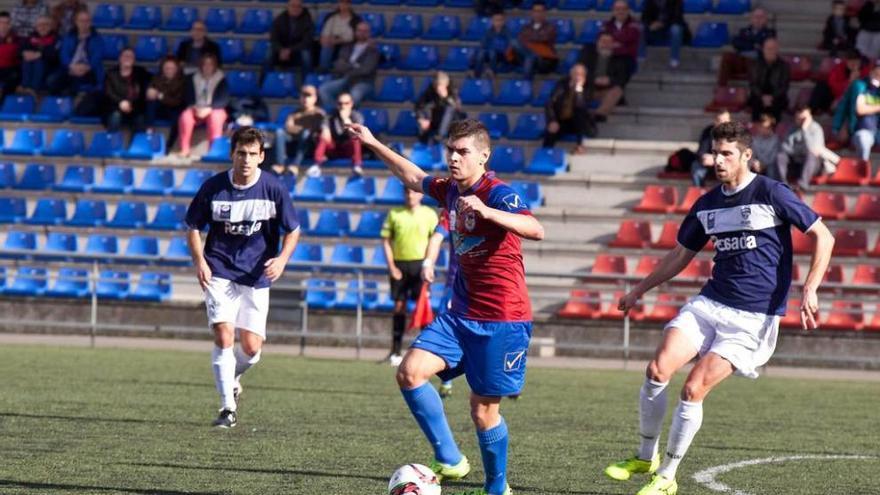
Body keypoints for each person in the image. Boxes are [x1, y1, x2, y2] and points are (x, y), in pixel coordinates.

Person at [603, 120, 835, 495]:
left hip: (752, 318)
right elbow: (680, 254)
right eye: (715, 152)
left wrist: (810, 288)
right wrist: (639, 290)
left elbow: (823, 235)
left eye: (727, 153)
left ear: (746, 155)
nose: (718, 160)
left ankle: (667, 476)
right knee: (657, 368)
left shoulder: (772, 192)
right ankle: (645, 457)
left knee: (693, 389)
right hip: (710, 303)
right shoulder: (707, 204)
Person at [347, 118, 544, 495]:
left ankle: (497, 487)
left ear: (483, 156)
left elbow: (535, 229)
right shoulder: (450, 190)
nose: (454, 158)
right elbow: (413, 176)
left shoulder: (498, 192)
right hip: (460, 314)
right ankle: (451, 459)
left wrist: (487, 212)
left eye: (462, 152)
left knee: (483, 412)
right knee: (409, 372)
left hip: (502, 318)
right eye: (450, 150)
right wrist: (372, 142)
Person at [185, 126, 301, 429]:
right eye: (241, 153)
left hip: (256, 275)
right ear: (232, 154)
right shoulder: (214, 187)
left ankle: (232, 376)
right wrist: (200, 261)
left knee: (251, 349)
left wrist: (282, 260)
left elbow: (294, 229)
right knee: (224, 335)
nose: (246, 159)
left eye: (252, 154)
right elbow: (193, 226)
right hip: (219, 270)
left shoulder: (274, 189)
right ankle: (227, 408)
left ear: (261, 157)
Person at [380, 188, 439, 366]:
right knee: (399, 306)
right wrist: (391, 266)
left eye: (413, 192)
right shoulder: (395, 213)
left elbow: (434, 241)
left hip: (420, 265)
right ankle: (395, 352)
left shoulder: (429, 215)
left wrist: (429, 264)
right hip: (400, 265)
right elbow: (386, 241)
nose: (410, 196)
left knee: (423, 307)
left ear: (420, 194)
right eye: (407, 192)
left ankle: (426, 352)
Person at [421, 207, 456, 398]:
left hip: (484, 287)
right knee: (444, 331)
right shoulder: (451, 210)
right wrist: (428, 263)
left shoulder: (489, 204)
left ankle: (504, 381)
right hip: (454, 286)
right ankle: (446, 380)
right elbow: (436, 238)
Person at [177, 52, 228, 158]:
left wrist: (209, 109)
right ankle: (184, 149)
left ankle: (214, 150)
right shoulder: (192, 78)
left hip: (215, 108)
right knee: (185, 116)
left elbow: (223, 99)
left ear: (215, 66)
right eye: (205, 64)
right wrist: (195, 107)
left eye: (210, 64)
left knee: (215, 117)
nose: (207, 67)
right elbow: (187, 96)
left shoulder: (221, 79)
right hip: (196, 107)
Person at [318, 21, 378, 106]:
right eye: (359, 30)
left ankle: (348, 117)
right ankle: (334, 114)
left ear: (369, 33)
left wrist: (347, 67)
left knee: (355, 95)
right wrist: (354, 66)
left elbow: (366, 70)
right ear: (355, 32)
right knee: (323, 89)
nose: (362, 33)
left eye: (365, 31)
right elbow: (338, 65)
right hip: (345, 79)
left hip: (363, 82)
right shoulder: (347, 47)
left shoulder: (373, 51)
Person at [273, 84, 325, 176]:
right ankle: (280, 164)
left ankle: (295, 165)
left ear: (315, 98)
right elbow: (287, 128)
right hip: (294, 144)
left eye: (309, 96)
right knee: (279, 132)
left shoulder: (319, 114)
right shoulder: (295, 113)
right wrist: (301, 129)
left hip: (309, 147)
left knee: (306, 133)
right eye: (303, 96)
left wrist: (297, 129)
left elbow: (314, 130)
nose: (306, 99)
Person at [48, 9, 103, 96]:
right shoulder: (69, 36)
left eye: (87, 21)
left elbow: (97, 56)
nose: (84, 24)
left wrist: (86, 67)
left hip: (89, 69)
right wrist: (71, 66)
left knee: (74, 86)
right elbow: (64, 54)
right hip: (70, 67)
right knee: (51, 81)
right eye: (81, 21)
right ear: (76, 22)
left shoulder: (96, 38)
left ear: (91, 22)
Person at [544, 63, 595, 154]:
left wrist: (579, 90)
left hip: (579, 123)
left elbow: (582, 107)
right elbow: (550, 103)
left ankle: (580, 145)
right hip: (562, 120)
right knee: (551, 130)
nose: (577, 77)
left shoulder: (588, 87)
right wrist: (552, 120)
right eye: (575, 73)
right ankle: (545, 155)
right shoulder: (562, 84)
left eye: (580, 74)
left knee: (579, 115)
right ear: (571, 74)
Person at [579, 32, 630, 121]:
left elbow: (622, 79)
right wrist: (594, 80)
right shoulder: (588, 55)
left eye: (608, 42)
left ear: (613, 44)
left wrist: (609, 80)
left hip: (607, 91)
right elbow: (580, 71)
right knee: (575, 87)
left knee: (617, 90)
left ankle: (599, 115)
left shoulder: (620, 59)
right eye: (603, 41)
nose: (605, 44)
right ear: (598, 42)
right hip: (589, 88)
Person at [717, 7, 775, 86]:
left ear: (765, 19)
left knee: (751, 61)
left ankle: (755, 92)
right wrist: (754, 45)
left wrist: (746, 43)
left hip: (757, 61)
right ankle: (721, 88)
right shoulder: (743, 31)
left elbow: (765, 47)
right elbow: (736, 43)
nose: (758, 19)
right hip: (741, 60)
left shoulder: (770, 33)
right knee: (727, 56)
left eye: (761, 17)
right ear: (751, 19)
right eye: (756, 17)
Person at [310, 92, 364, 177]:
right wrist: (325, 129)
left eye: (346, 103)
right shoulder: (331, 115)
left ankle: (357, 166)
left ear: (351, 104)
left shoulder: (356, 116)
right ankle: (316, 165)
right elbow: (324, 124)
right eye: (340, 103)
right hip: (333, 149)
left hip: (348, 150)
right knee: (322, 136)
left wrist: (346, 120)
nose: (343, 106)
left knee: (355, 139)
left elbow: (356, 134)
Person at [774, 105, 825, 192]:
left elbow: (813, 150)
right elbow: (785, 147)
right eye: (799, 118)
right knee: (781, 156)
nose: (801, 121)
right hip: (796, 162)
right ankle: (783, 184)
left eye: (804, 119)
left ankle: (802, 185)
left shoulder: (816, 129)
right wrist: (799, 151)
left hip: (812, 165)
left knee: (810, 155)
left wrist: (804, 130)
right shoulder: (792, 129)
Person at [102, 47, 149, 135]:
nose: (127, 58)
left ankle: (138, 146)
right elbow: (108, 92)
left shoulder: (141, 72)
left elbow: (154, 80)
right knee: (115, 117)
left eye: (130, 56)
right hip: (116, 107)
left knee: (140, 119)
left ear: (134, 60)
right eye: (125, 56)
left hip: (135, 108)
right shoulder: (111, 74)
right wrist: (120, 102)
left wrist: (152, 89)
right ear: (120, 58)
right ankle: (111, 143)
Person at [145, 56, 187, 147]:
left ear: (177, 69)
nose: (169, 71)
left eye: (172, 68)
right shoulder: (157, 78)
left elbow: (177, 101)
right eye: (167, 68)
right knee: (150, 104)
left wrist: (160, 95)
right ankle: (149, 131)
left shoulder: (182, 81)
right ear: (162, 69)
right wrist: (149, 92)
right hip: (160, 108)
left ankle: (169, 146)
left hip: (175, 109)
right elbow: (151, 91)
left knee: (178, 119)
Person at [269, 0, 314, 84]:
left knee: (306, 56)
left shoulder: (307, 20)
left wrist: (290, 50)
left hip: (298, 50)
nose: (295, 8)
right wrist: (281, 50)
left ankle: (307, 85)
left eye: (298, 6)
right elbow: (273, 39)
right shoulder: (280, 19)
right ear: (288, 7)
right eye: (293, 6)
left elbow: (307, 41)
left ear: (302, 8)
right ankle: (263, 83)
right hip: (282, 50)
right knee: (268, 54)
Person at [511, 2, 557, 79]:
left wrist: (529, 40)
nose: (537, 14)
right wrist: (531, 40)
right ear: (532, 13)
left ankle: (526, 83)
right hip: (526, 56)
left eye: (540, 11)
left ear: (544, 13)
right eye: (535, 11)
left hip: (544, 59)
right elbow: (521, 40)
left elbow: (544, 39)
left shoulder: (550, 27)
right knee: (514, 42)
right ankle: (530, 56)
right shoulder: (526, 27)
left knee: (529, 57)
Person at [415, 71, 462, 144]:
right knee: (428, 108)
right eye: (437, 85)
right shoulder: (431, 90)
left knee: (449, 108)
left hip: (452, 120)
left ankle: (440, 136)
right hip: (435, 117)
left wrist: (446, 98)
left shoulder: (452, 88)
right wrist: (422, 118)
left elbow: (458, 107)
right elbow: (419, 105)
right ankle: (424, 140)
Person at [748, 37, 789, 122]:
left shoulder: (784, 66)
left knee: (777, 104)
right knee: (755, 102)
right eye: (768, 48)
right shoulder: (756, 64)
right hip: (759, 95)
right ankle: (756, 130)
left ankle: (775, 130)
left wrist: (772, 97)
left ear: (777, 50)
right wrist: (762, 97)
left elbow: (784, 86)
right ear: (763, 49)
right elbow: (753, 84)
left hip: (777, 96)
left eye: (773, 48)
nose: (770, 51)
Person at [641, 0, 690, 68]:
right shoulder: (649, 1)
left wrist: (662, 24)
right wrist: (650, 24)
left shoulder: (677, 1)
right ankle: (641, 58)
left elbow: (678, 18)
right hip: (654, 28)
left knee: (676, 30)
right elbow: (644, 17)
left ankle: (674, 59)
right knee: (640, 28)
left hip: (669, 26)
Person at [846, 63, 880, 160]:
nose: (878, 76)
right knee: (863, 138)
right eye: (876, 73)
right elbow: (860, 109)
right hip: (865, 129)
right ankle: (862, 170)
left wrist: (869, 108)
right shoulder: (862, 86)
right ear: (871, 72)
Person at [318, 0, 360, 73]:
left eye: (346, 3)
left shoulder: (355, 19)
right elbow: (326, 31)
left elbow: (351, 37)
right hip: (331, 40)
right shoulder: (331, 17)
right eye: (341, 3)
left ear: (349, 5)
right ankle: (324, 72)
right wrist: (325, 38)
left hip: (347, 43)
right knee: (326, 46)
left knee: (344, 50)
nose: (343, 5)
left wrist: (338, 40)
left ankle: (338, 73)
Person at [691, 110, 731, 186]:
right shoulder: (708, 132)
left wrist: (716, 159)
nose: (722, 123)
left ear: (729, 121)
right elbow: (701, 151)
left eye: (725, 121)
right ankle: (699, 193)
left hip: (726, 163)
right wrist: (703, 157)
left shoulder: (733, 134)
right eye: (719, 120)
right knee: (695, 166)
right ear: (715, 121)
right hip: (710, 164)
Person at [602, 0, 640, 76]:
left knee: (620, 60)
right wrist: (615, 44)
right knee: (588, 49)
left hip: (626, 59)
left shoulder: (634, 25)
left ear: (628, 11)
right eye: (617, 9)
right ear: (613, 11)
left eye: (623, 9)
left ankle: (616, 86)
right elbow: (601, 40)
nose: (620, 12)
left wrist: (611, 44)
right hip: (609, 56)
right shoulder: (607, 25)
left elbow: (628, 41)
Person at [474, 12, 512, 79]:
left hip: (502, 54)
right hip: (489, 52)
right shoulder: (489, 31)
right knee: (481, 53)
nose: (498, 22)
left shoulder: (507, 32)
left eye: (500, 20)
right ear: (492, 21)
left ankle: (492, 71)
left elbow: (509, 45)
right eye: (496, 20)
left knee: (492, 52)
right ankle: (477, 74)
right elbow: (483, 44)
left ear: (503, 21)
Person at [0, 12, 20, 102]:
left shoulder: (17, 39)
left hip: (10, 69)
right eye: (1, 22)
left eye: (7, 23)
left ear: (10, 25)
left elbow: (18, 57)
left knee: (13, 78)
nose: (4, 25)